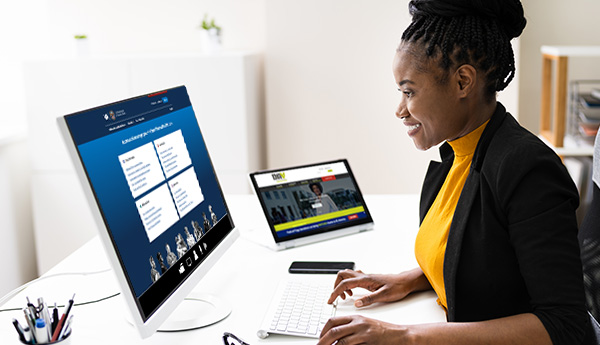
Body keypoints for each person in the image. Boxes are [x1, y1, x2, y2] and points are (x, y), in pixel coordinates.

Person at [318, 1, 589, 345]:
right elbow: (488, 257)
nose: (400, 110)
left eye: (409, 91)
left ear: (463, 81)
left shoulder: (527, 169)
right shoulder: (459, 152)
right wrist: (410, 279)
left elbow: (563, 325)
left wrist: (405, 336)